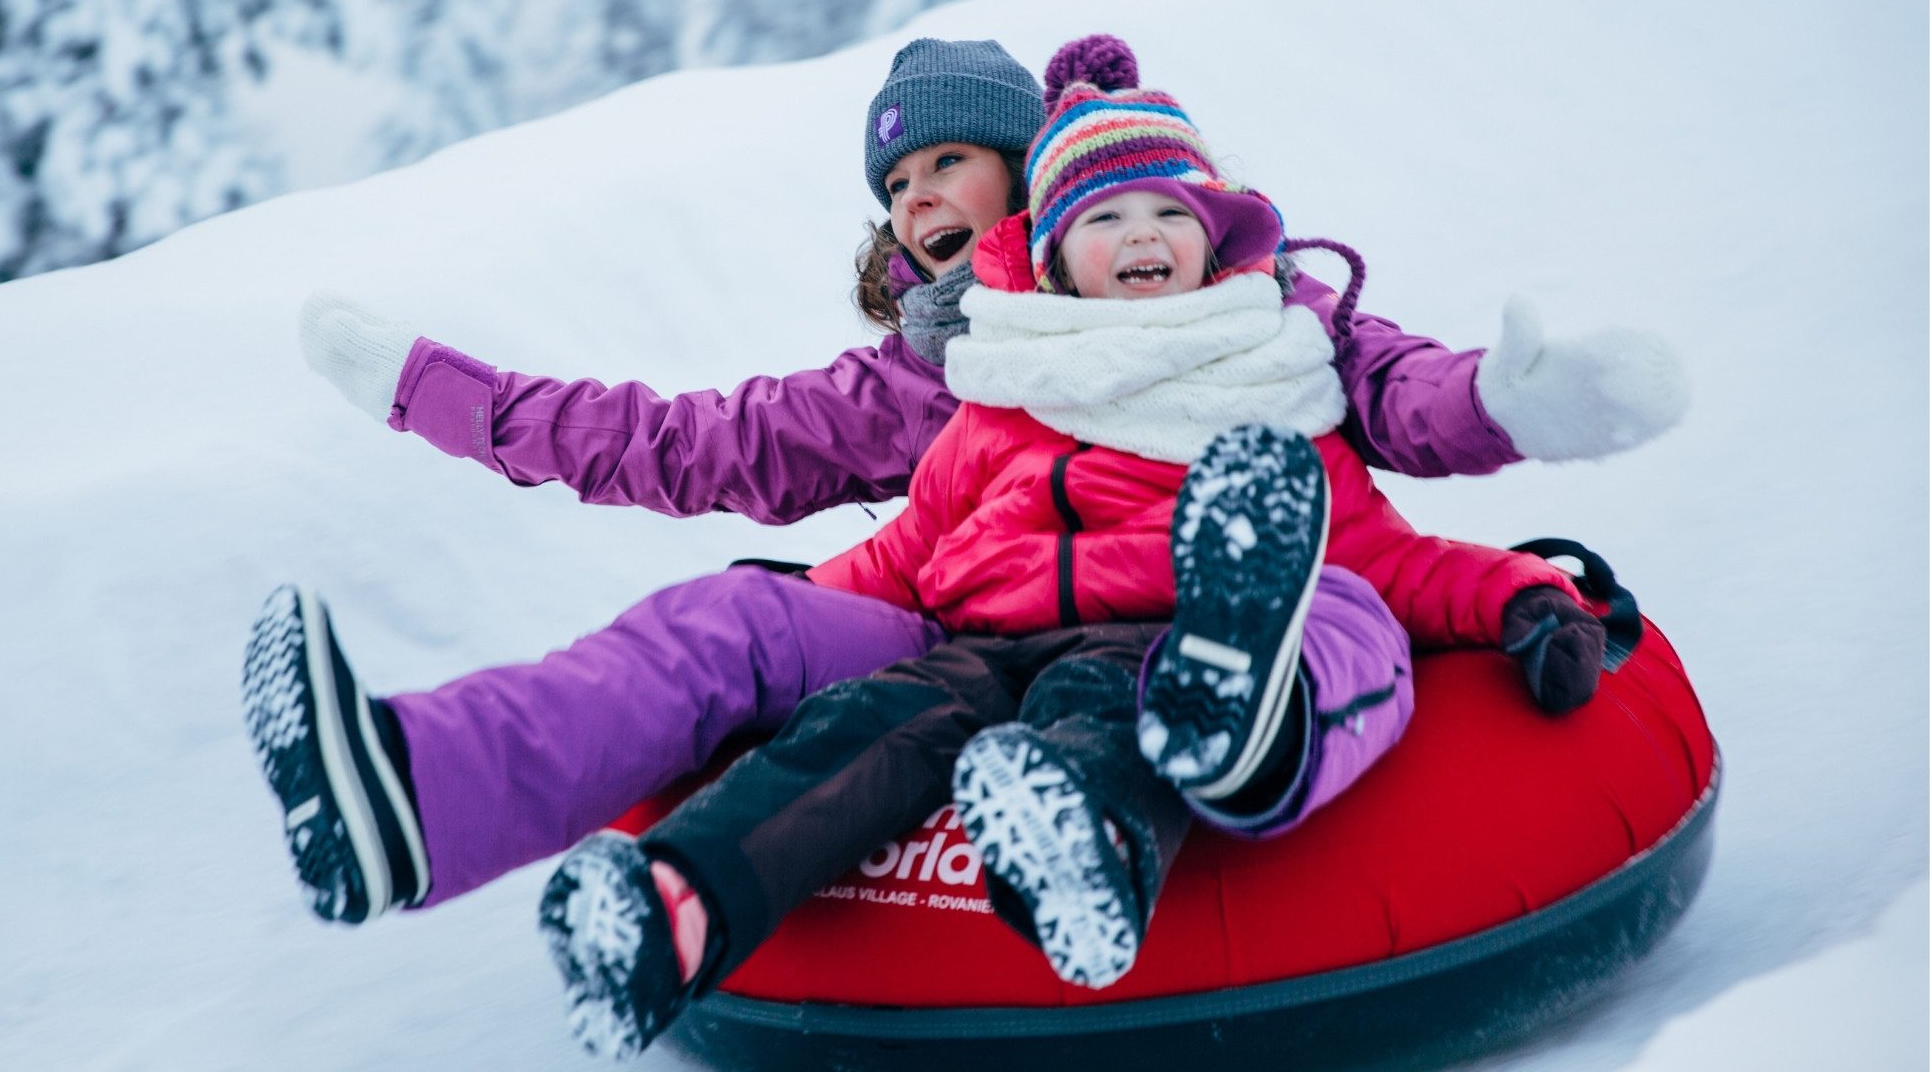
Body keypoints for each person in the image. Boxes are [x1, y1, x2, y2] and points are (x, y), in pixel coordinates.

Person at [257, 35, 1683, 925]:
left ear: (1036, 178)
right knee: (734, 621)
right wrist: (435, 390)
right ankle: (416, 794)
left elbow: (1395, 395)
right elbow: (685, 443)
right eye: (897, 188)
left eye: (952, 161)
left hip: (1174, 623)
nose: (922, 201)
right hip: (963, 628)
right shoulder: (938, 372)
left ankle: (1229, 731)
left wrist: (1511, 401)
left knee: (1321, 617)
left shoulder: (1254, 311)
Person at [530, 77, 1677, 1061]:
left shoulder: (1273, 376)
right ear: (1054, 263)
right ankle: (671, 909)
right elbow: (908, 551)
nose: (1140, 234)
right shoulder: (1006, 391)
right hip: (982, 643)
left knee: (1105, 706)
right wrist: (785, 616)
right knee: (871, 725)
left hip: (1155, 635)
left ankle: (1090, 844)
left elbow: (1384, 557)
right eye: (1104, 216)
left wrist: (1522, 595)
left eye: (1166, 213)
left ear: (1214, 241)